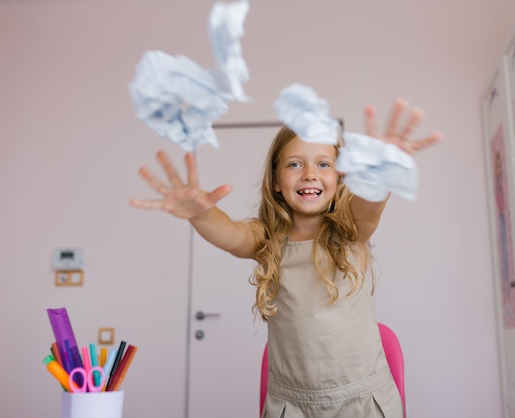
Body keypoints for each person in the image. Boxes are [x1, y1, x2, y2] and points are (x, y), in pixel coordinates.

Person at [131, 99, 441, 417]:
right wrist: (202, 215)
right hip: (291, 406)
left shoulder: (352, 228)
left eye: (324, 164)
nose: (309, 174)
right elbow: (231, 235)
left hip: (361, 402)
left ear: (342, 177)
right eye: (295, 164)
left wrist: (381, 175)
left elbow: (369, 207)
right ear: (277, 182)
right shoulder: (267, 237)